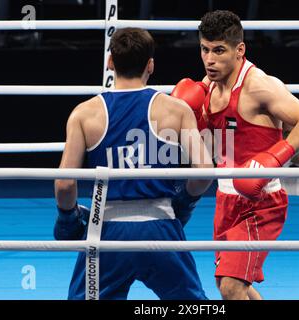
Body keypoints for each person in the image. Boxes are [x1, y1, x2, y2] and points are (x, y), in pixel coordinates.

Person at [172, 10, 299, 300]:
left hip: (261, 202)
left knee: (231, 286)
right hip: (225, 198)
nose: (209, 59)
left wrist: (273, 158)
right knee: (227, 285)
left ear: (239, 50)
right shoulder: (208, 84)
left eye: (219, 51)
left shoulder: (259, 86)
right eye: (204, 49)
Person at [53, 27, 213, 300]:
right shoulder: (176, 110)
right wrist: (183, 203)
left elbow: (65, 183)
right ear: (150, 65)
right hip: (161, 228)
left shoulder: (85, 113)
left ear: (110, 62)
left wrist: (68, 218)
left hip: (107, 232)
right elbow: (204, 174)